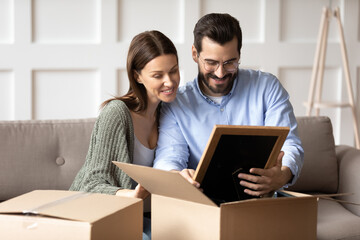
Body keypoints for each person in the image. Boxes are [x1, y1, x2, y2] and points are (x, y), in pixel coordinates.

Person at [153, 13, 304, 198]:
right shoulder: (176, 103)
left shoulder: (267, 87)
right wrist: (176, 177)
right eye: (211, 63)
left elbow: (289, 143)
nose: (220, 73)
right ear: (195, 54)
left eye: (230, 63)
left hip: (259, 203)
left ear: (239, 54)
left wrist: (283, 175)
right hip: (202, 203)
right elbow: (169, 157)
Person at [70, 30, 180, 240]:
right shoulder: (117, 113)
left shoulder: (170, 112)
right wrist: (132, 195)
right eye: (158, 75)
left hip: (142, 217)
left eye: (173, 71)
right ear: (137, 76)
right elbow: (91, 184)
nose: (170, 82)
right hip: (97, 214)